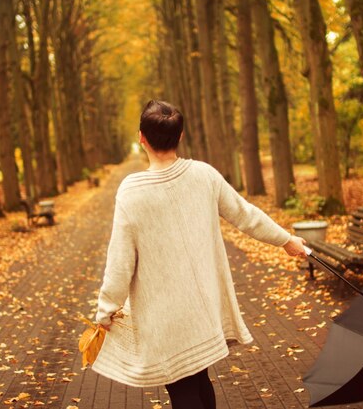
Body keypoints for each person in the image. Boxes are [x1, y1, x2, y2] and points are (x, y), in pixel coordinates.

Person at [92, 100, 307, 409]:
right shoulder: (203, 175)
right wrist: (286, 240)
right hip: (202, 308)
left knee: (183, 390)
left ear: (142, 138)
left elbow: (120, 261)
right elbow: (246, 215)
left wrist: (106, 309)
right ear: (180, 137)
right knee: (197, 381)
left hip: (163, 317)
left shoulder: (132, 191)